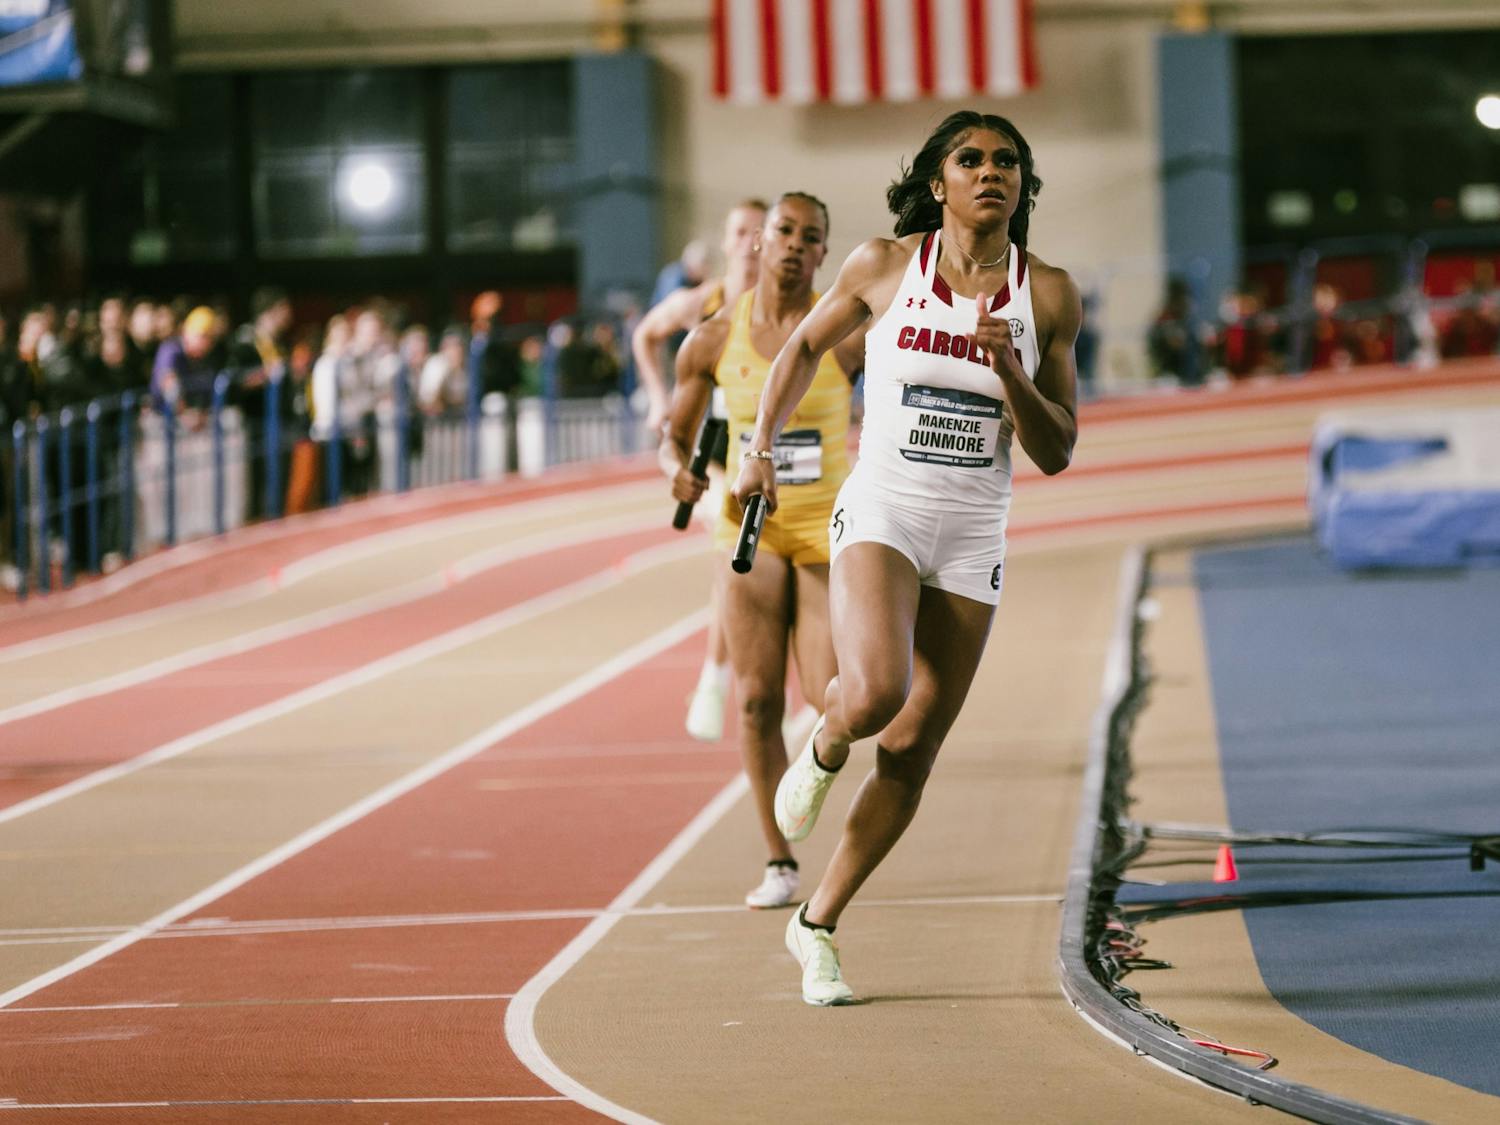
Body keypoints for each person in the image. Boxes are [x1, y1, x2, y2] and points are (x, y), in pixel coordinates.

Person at [732, 112, 1079, 1005]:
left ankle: (815, 926)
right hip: (885, 506)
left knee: (915, 750)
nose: (990, 172)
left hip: (973, 533)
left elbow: (1058, 450)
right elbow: (804, 345)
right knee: (878, 689)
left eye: (1008, 160)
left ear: (1021, 185)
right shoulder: (885, 267)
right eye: (971, 160)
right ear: (939, 182)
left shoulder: (1047, 295)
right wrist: (759, 445)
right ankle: (828, 736)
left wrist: (1010, 374)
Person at [663, 192, 863, 910]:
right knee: (753, 700)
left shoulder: (847, 335)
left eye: (811, 237)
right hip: (746, 528)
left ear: (822, 256)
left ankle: (807, 777)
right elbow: (675, 437)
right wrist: (676, 469)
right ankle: (780, 862)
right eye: (783, 230)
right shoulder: (714, 338)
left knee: (828, 695)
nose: (791, 244)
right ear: (759, 241)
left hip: (821, 528)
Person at [635, 199, 767, 743]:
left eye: (761, 232)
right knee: (732, 556)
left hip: (764, 453)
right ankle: (715, 679)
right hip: (711, 455)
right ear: (725, 238)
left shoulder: (788, 303)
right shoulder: (702, 301)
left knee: (751, 568)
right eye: (741, 231)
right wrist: (657, 397)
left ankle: (736, 679)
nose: (750, 242)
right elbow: (645, 333)